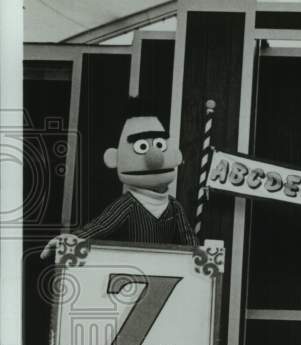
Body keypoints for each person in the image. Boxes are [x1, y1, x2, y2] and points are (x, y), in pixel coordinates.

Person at [41, 98, 196, 258]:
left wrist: (200, 261)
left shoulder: (174, 206)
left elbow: (189, 239)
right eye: (142, 147)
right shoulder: (127, 204)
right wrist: (72, 239)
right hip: (132, 273)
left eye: (159, 145)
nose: (155, 157)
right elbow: (100, 226)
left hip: (166, 274)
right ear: (113, 158)